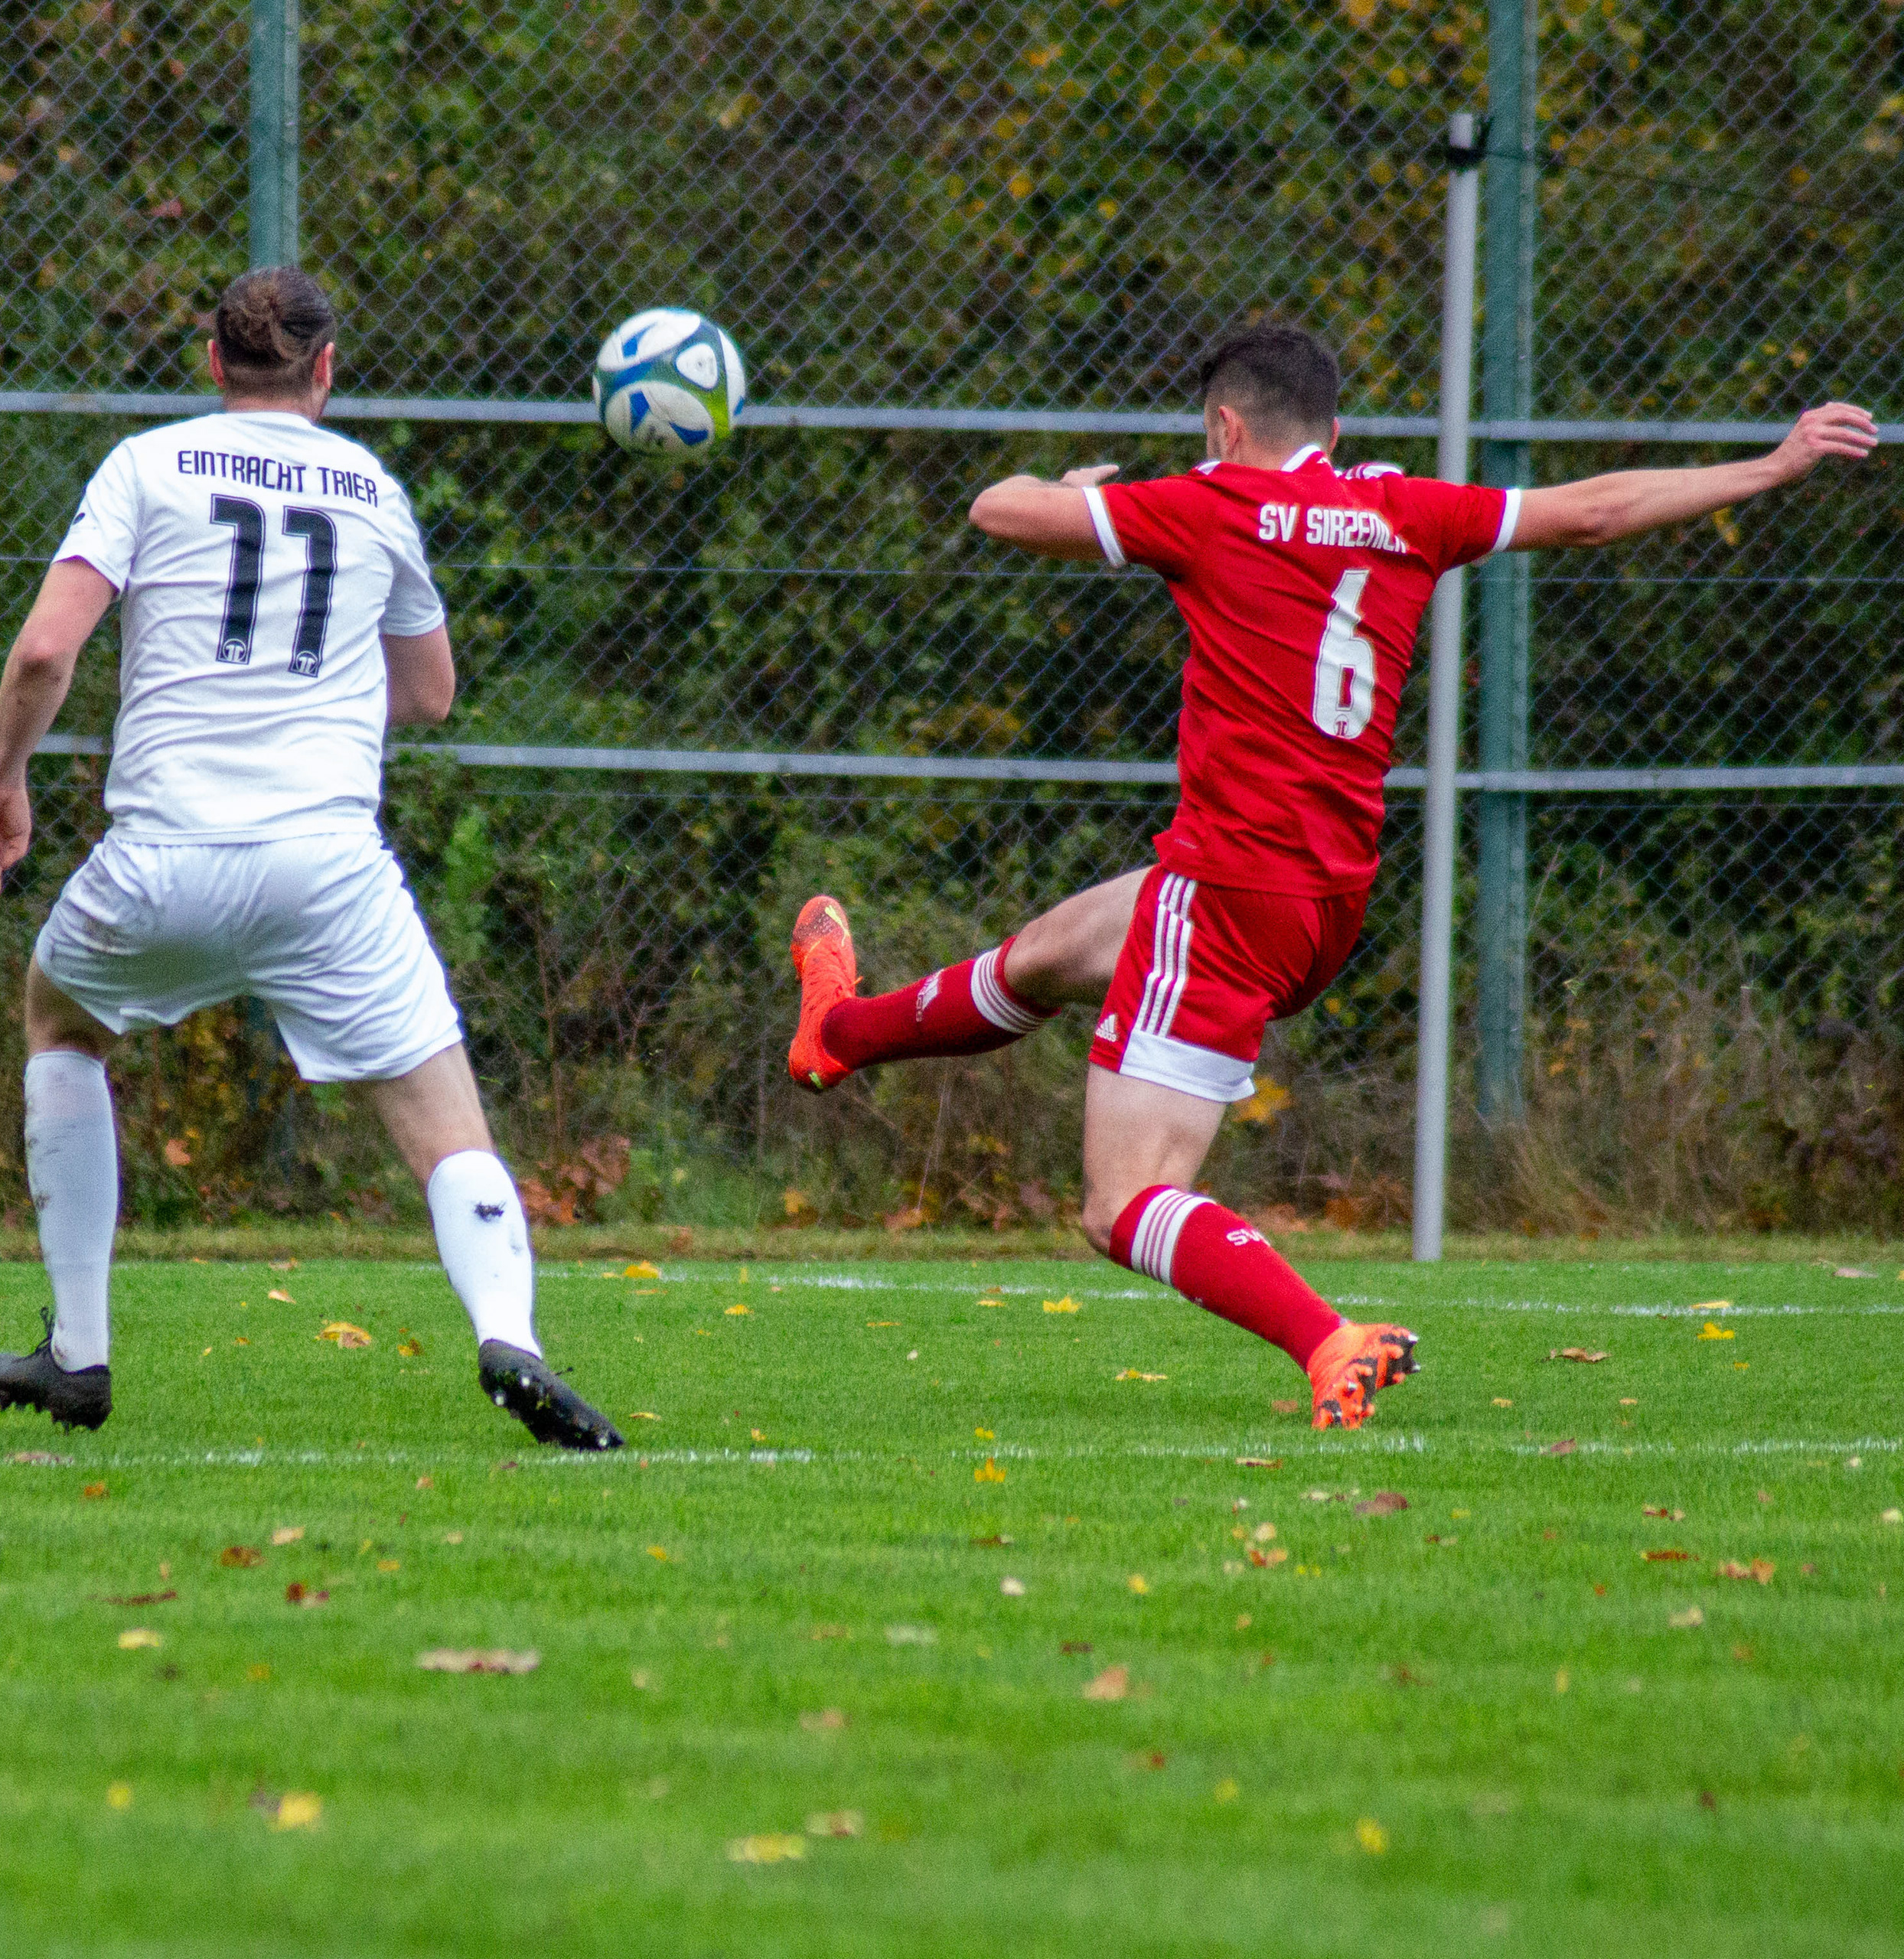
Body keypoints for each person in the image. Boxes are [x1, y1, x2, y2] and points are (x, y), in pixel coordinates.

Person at [784, 321, 1877, 1427]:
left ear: (1225, 425)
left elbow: (995, 509)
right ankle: (839, 1035)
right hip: (1326, 903)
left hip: (1227, 893)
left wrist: (1065, 488)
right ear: (1336, 430)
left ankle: (1327, 1340)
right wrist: (1771, 465)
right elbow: (1591, 511)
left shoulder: (1211, 502)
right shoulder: (1406, 511)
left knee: (1120, 1204)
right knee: (1058, 950)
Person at [0, 266, 622, 1450]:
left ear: (211, 366)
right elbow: (431, 693)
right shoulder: (372, 488)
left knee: (62, 1025)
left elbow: (45, 653)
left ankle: (80, 1351)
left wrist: (3, 779)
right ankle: (509, 1335)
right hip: (329, 867)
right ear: (327, 370)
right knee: (444, 1121)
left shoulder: (148, 465)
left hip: (164, 854)